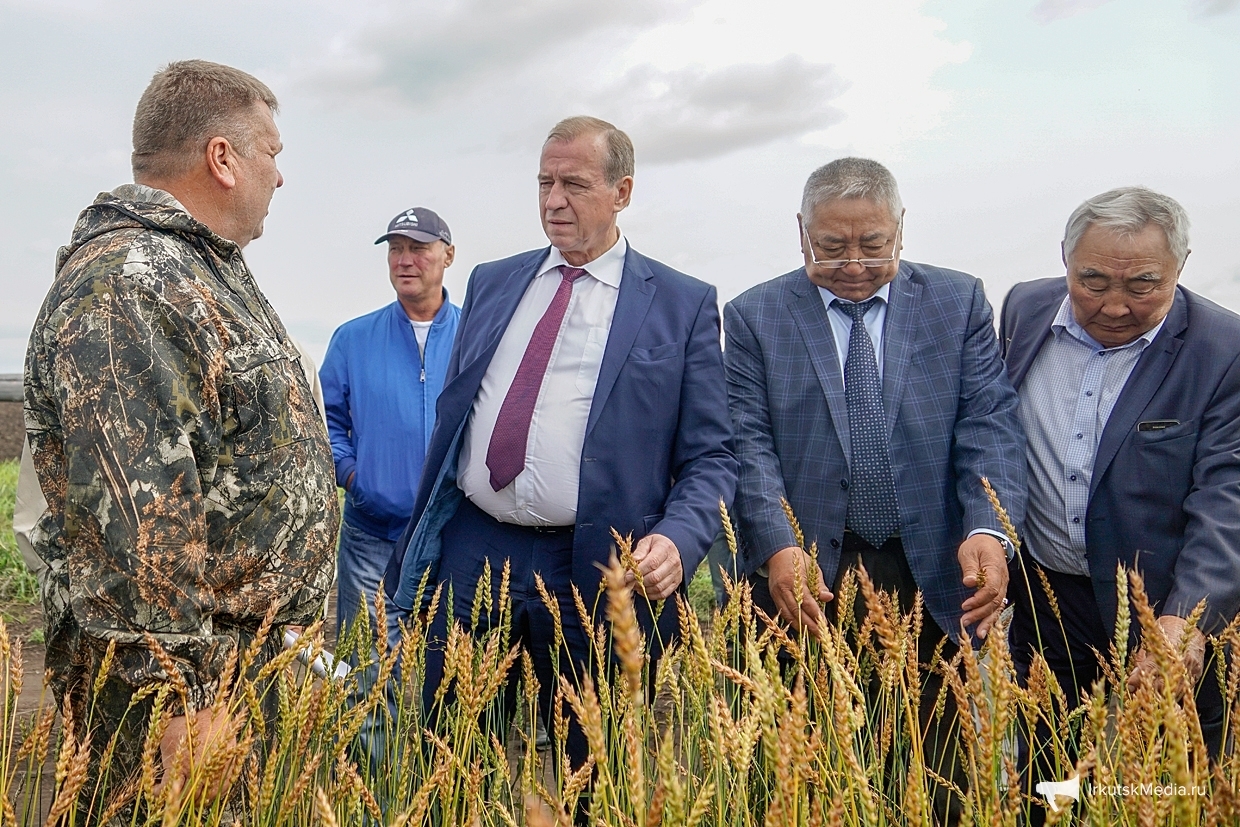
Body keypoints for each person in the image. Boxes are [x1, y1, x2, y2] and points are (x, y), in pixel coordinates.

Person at [23, 60, 338, 802]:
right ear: (221, 158)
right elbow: (138, 519)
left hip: (240, 672)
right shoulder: (128, 281)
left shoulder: (196, 268)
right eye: (273, 152)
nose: (280, 175)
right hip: (188, 698)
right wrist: (179, 699)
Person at [385, 115, 736, 765]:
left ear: (622, 191)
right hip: (475, 548)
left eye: (573, 183)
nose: (553, 200)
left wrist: (679, 537)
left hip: (598, 564)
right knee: (454, 755)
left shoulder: (680, 305)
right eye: (544, 181)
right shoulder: (494, 280)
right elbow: (460, 411)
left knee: (591, 765)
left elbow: (712, 454)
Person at [724, 157, 1026, 823]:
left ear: (901, 229)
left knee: (940, 770)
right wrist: (777, 544)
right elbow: (748, 444)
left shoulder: (958, 300)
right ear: (801, 233)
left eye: (872, 244)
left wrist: (986, 526)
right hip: (806, 577)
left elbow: (988, 425)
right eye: (832, 247)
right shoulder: (753, 315)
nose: (853, 263)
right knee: (803, 770)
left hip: (938, 570)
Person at [1001, 186, 1240, 817]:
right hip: (1048, 596)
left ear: (1180, 267)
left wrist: (1186, 620)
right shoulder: (1023, 311)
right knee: (1052, 773)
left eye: (1141, 284)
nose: (1113, 305)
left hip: (1167, 607)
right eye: (1092, 280)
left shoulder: (1224, 349)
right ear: (1064, 259)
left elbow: (1229, 498)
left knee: (1173, 782)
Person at [320, 208, 461, 637]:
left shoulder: (477, 336)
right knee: (369, 678)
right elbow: (324, 420)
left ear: (448, 255)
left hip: (454, 539)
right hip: (372, 538)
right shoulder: (352, 339)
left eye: (418, 249)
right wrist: (353, 475)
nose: (404, 260)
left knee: (445, 679)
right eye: (396, 249)